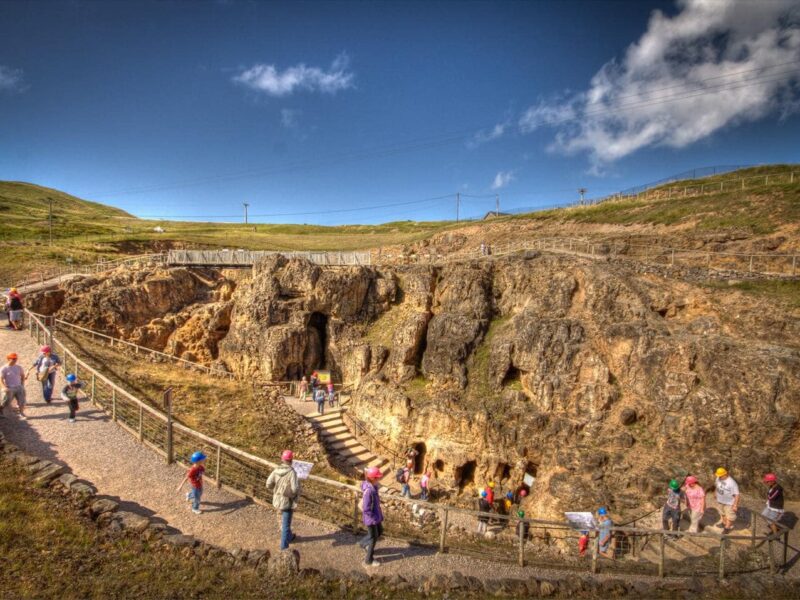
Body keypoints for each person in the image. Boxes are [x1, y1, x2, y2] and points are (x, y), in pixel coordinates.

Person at [266, 449, 301, 551]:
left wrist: (276, 489)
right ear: (291, 460)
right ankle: (284, 549)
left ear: (282, 459)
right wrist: (292, 493)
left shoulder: (276, 470)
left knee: (281, 521)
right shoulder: (292, 472)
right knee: (285, 525)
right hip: (287, 502)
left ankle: (289, 537)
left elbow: (268, 484)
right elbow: (294, 489)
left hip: (277, 501)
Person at [359, 466, 384, 567]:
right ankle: (368, 560)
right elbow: (366, 508)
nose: (379, 479)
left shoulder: (373, 487)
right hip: (371, 519)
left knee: (380, 531)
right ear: (373, 478)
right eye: (378, 477)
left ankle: (363, 544)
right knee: (373, 538)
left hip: (375, 516)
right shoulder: (369, 491)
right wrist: (373, 518)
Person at [1, 352, 27, 419]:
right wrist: (4, 387)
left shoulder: (19, 367)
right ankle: (1, 411)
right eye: (13, 358)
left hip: (18, 386)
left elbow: (23, 375)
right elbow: (0, 379)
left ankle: (21, 413)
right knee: (5, 401)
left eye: (16, 358)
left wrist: (22, 384)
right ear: (8, 359)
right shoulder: (4, 368)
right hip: (9, 387)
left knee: (22, 400)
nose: (15, 360)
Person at [714, 467, 739, 532]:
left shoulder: (732, 483)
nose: (719, 477)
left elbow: (737, 494)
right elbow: (716, 486)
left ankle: (727, 528)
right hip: (720, 500)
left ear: (725, 474)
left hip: (729, 502)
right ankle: (724, 523)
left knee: (730, 515)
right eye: (718, 476)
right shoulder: (718, 478)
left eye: (720, 476)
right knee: (722, 513)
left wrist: (735, 505)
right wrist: (715, 493)